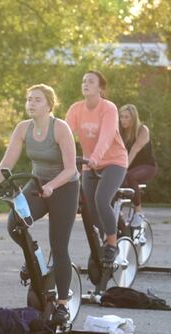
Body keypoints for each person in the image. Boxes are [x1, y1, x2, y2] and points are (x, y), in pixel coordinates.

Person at [0, 84, 79, 324]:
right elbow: (8, 161)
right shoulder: (23, 128)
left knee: (59, 245)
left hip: (63, 186)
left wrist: (52, 187)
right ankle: (33, 258)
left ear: (49, 105)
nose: (31, 104)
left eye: (36, 100)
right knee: (15, 223)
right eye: (28, 99)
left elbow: (71, 169)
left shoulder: (60, 128)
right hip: (37, 183)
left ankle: (63, 304)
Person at [65, 71, 129, 265]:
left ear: (100, 88)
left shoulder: (108, 108)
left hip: (113, 161)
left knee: (101, 199)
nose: (86, 84)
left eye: (91, 81)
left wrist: (95, 157)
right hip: (89, 163)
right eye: (84, 81)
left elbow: (107, 136)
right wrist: (59, 157)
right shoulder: (76, 109)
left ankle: (112, 243)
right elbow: (64, 135)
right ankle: (102, 242)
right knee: (90, 209)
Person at [119, 104, 158, 227]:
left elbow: (135, 150)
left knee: (130, 176)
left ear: (133, 118)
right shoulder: (120, 132)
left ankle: (139, 212)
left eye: (127, 117)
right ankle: (117, 213)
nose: (123, 120)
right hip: (130, 166)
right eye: (121, 117)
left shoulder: (142, 130)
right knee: (114, 181)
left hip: (147, 166)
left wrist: (123, 169)